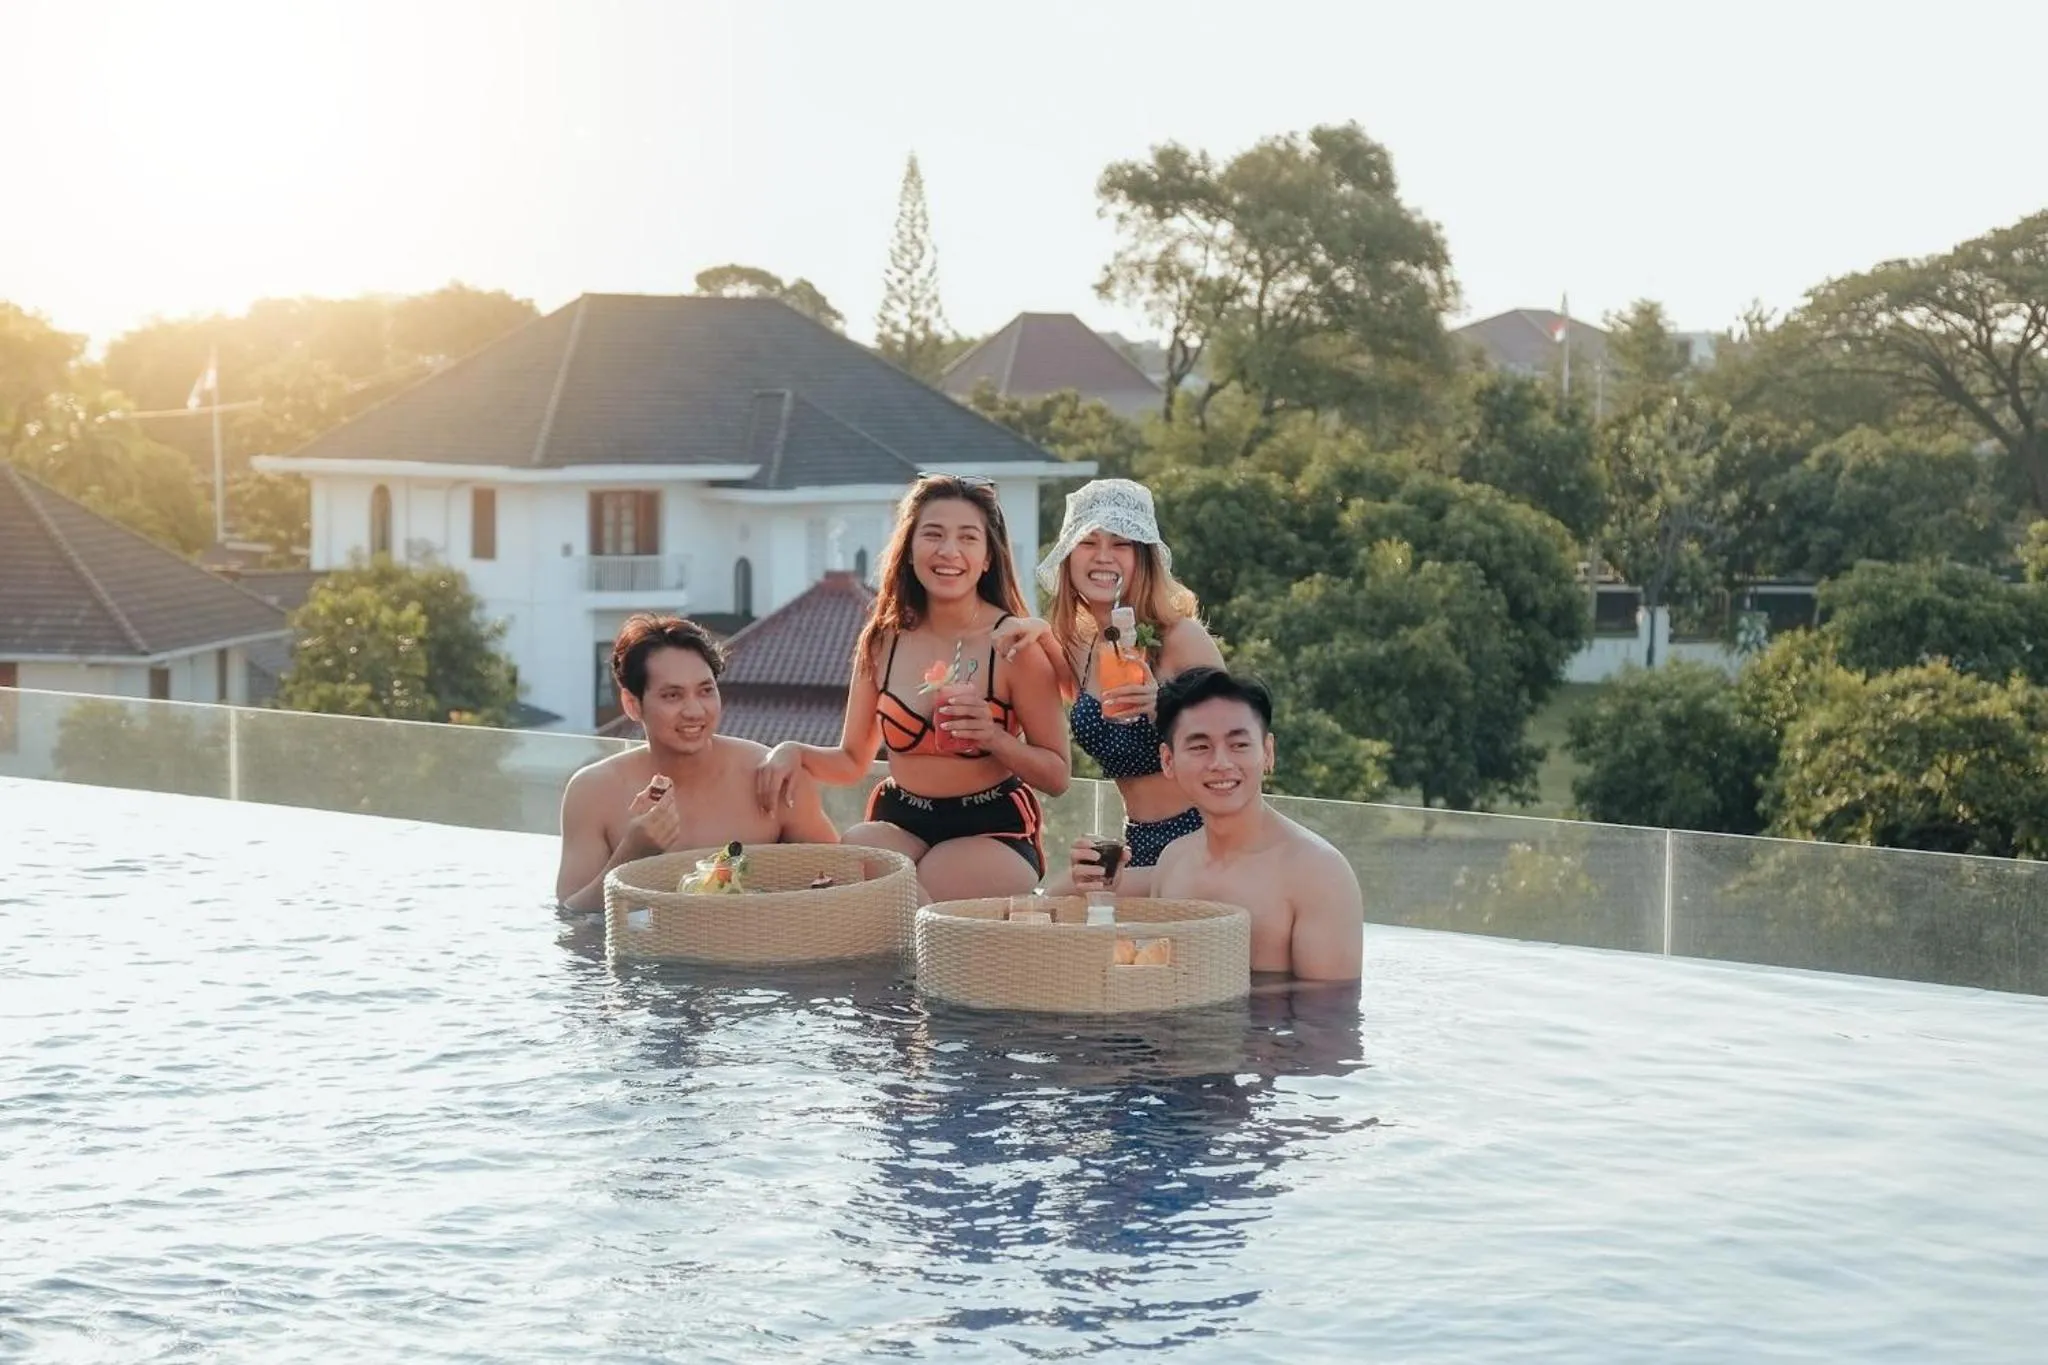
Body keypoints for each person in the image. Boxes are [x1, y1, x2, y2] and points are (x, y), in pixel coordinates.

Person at [754, 475, 1070, 901]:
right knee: (857, 854)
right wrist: (791, 750)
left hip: (991, 825)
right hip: (901, 817)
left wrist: (993, 737)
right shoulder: (883, 639)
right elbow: (851, 760)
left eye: (967, 538)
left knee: (907, 902)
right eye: (933, 535)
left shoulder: (1013, 645)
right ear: (909, 550)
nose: (948, 551)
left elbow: (1057, 776)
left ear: (988, 558)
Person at [1066, 666, 1363, 982]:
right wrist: (1098, 887)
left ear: (1267, 752)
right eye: (1200, 747)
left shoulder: (1318, 872)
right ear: (1169, 761)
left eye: (1239, 745)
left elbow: (1330, 1015)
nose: (1221, 763)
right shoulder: (1174, 860)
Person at [998, 478, 1225, 892]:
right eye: (1088, 542)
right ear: (1068, 557)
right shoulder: (1081, 648)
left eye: (1121, 544)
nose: (1103, 556)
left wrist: (1166, 707)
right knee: (1042, 914)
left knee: (1053, 904)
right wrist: (1040, 633)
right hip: (1135, 843)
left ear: (1143, 559)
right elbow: (1070, 690)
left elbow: (1234, 737)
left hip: (1203, 838)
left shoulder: (1181, 637)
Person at [555, 614, 838, 912]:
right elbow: (571, 914)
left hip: (757, 948)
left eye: (705, 691)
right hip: (646, 952)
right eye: (672, 695)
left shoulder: (772, 777)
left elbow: (841, 881)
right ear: (632, 704)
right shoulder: (593, 791)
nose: (694, 711)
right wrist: (631, 854)